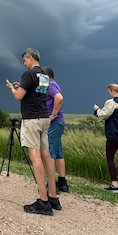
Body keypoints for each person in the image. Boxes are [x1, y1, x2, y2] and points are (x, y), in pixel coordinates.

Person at [6, 48, 61, 215]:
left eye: (25, 60)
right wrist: (21, 87)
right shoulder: (44, 75)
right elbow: (36, 92)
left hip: (31, 119)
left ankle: (43, 202)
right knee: (46, 156)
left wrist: (11, 88)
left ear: (30, 57)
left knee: (35, 156)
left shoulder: (28, 74)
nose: (24, 63)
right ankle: (53, 197)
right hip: (44, 117)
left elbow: (18, 96)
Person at [42, 66, 69, 194]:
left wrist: (53, 115)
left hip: (54, 123)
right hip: (58, 123)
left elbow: (59, 98)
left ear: (47, 76)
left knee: (49, 153)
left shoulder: (51, 85)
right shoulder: (53, 84)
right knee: (58, 153)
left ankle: (51, 185)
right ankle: (62, 183)